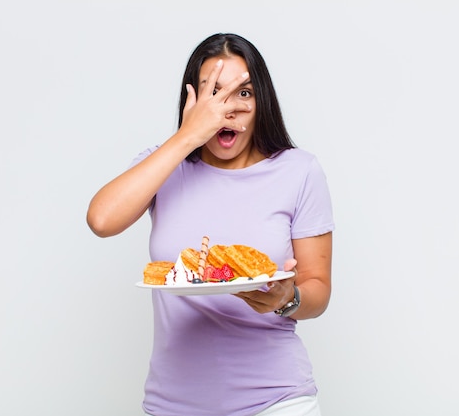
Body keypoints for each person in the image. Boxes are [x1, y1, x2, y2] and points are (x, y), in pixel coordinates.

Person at [87, 33, 334, 416]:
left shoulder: (299, 171)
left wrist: (287, 300)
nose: (229, 109)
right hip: (173, 405)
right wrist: (187, 137)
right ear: (192, 102)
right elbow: (101, 220)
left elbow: (317, 288)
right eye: (214, 93)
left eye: (244, 93)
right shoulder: (165, 166)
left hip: (276, 401)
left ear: (262, 101)